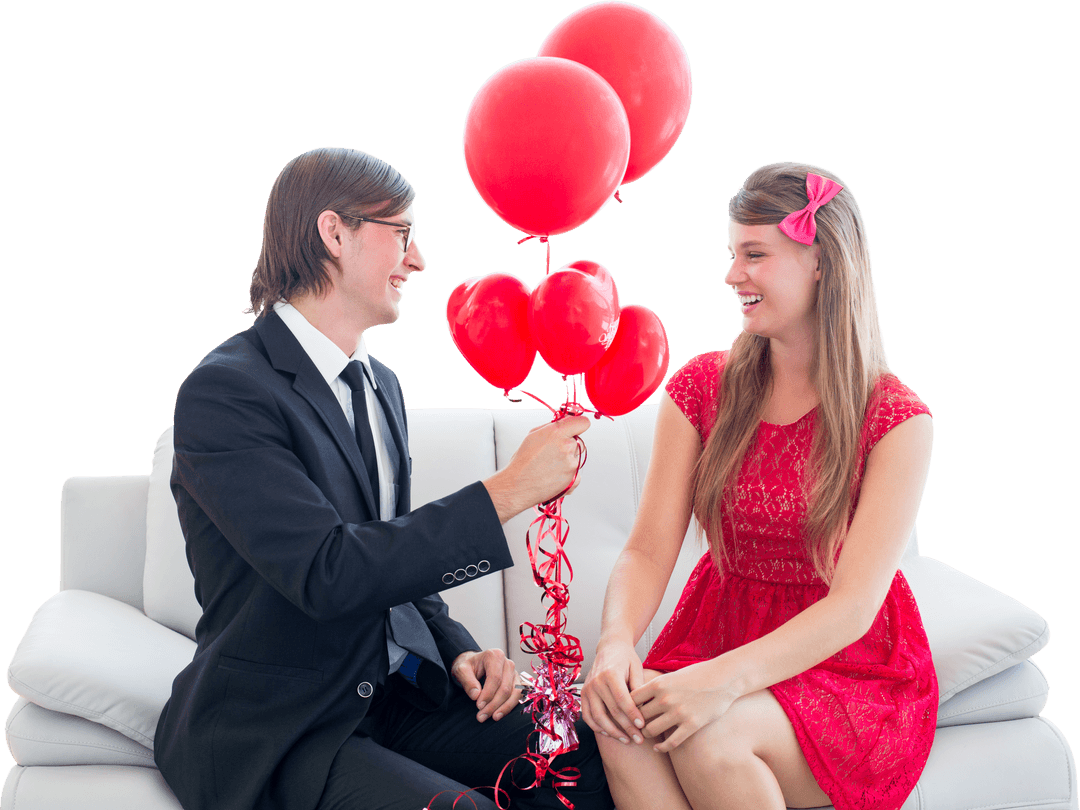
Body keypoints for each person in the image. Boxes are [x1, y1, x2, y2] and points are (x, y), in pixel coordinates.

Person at [153, 146, 612, 810]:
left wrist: (456, 651)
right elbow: (329, 571)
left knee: (587, 751)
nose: (417, 260)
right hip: (290, 726)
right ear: (334, 233)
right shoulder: (225, 394)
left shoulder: (381, 385)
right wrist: (509, 489)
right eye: (401, 233)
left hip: (396, 697)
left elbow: (390, 556)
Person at [580, 162, 937, 810]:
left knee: (709, 738)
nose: (732, 275)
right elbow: (647, 550)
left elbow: (854, 606)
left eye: (754, 255)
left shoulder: (896, 419)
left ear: (821, 261)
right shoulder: (700, 388)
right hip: (718, 638)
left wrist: (720, 683)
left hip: (846, 668)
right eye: (731, 254)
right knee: (621, 726)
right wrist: (614, 643)